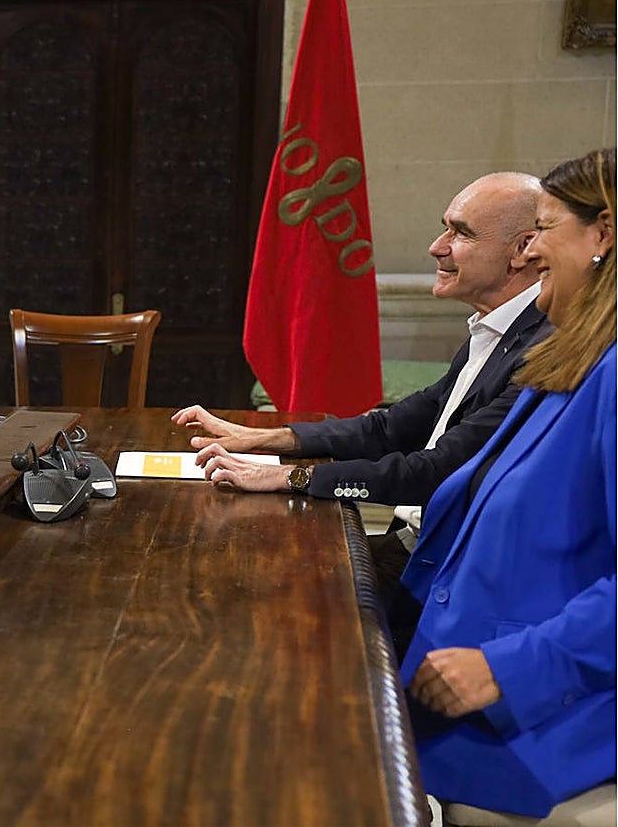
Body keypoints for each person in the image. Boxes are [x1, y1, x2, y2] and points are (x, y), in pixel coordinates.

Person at [174, 172, 549, 598]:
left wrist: (289, 477)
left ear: (523, 248)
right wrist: (265, 438)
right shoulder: (496, 327)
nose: (437, 246)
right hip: (416, 547)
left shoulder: (542, 348)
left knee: (251, 587)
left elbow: (437, 471)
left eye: (461, 233)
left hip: (450, 573)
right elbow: (390, 428)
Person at [396, 149, 615, 818]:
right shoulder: (570, 357)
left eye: (542, 229)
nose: (531, 250)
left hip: (530, 726)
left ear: (603, 235)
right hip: (456, 707)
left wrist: (506, 669)